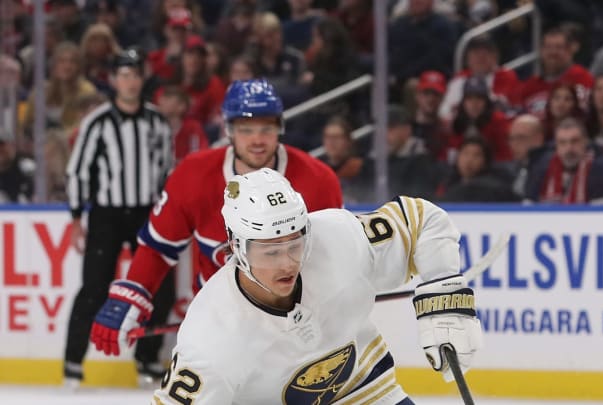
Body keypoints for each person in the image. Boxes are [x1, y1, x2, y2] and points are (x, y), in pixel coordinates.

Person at [152, 168, 484, 403]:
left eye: (295, 245)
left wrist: (443, 299)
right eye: (269, 251)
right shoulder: (210, 341)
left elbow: (421, 219)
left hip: (364, 391)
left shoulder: (335, 237)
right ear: (236, 247)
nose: (287, 263)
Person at [89, 79, 343, 366]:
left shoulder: (318, 181)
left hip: (294, 325)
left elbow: (334, 258)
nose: (257, 140)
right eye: (246, 130)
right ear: (228, 130)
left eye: (266, 129)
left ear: (280, 128)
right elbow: (158, 248)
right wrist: (131, 295)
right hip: (217, 323)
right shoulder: (193, 176)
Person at [63, 49, 173, 385]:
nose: (129, 81)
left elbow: (168, 171)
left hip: (145, 213)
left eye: (134, 74)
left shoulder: (157, 121)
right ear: (113, 80)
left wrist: (167, 215)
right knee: (95, 287)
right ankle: (73, 362)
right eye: (123, 75)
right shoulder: (97, 122)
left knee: (159, 286)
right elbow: (77, 171)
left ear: (142, 79)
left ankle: (146, 358)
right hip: (107, 215)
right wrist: (76, 217)